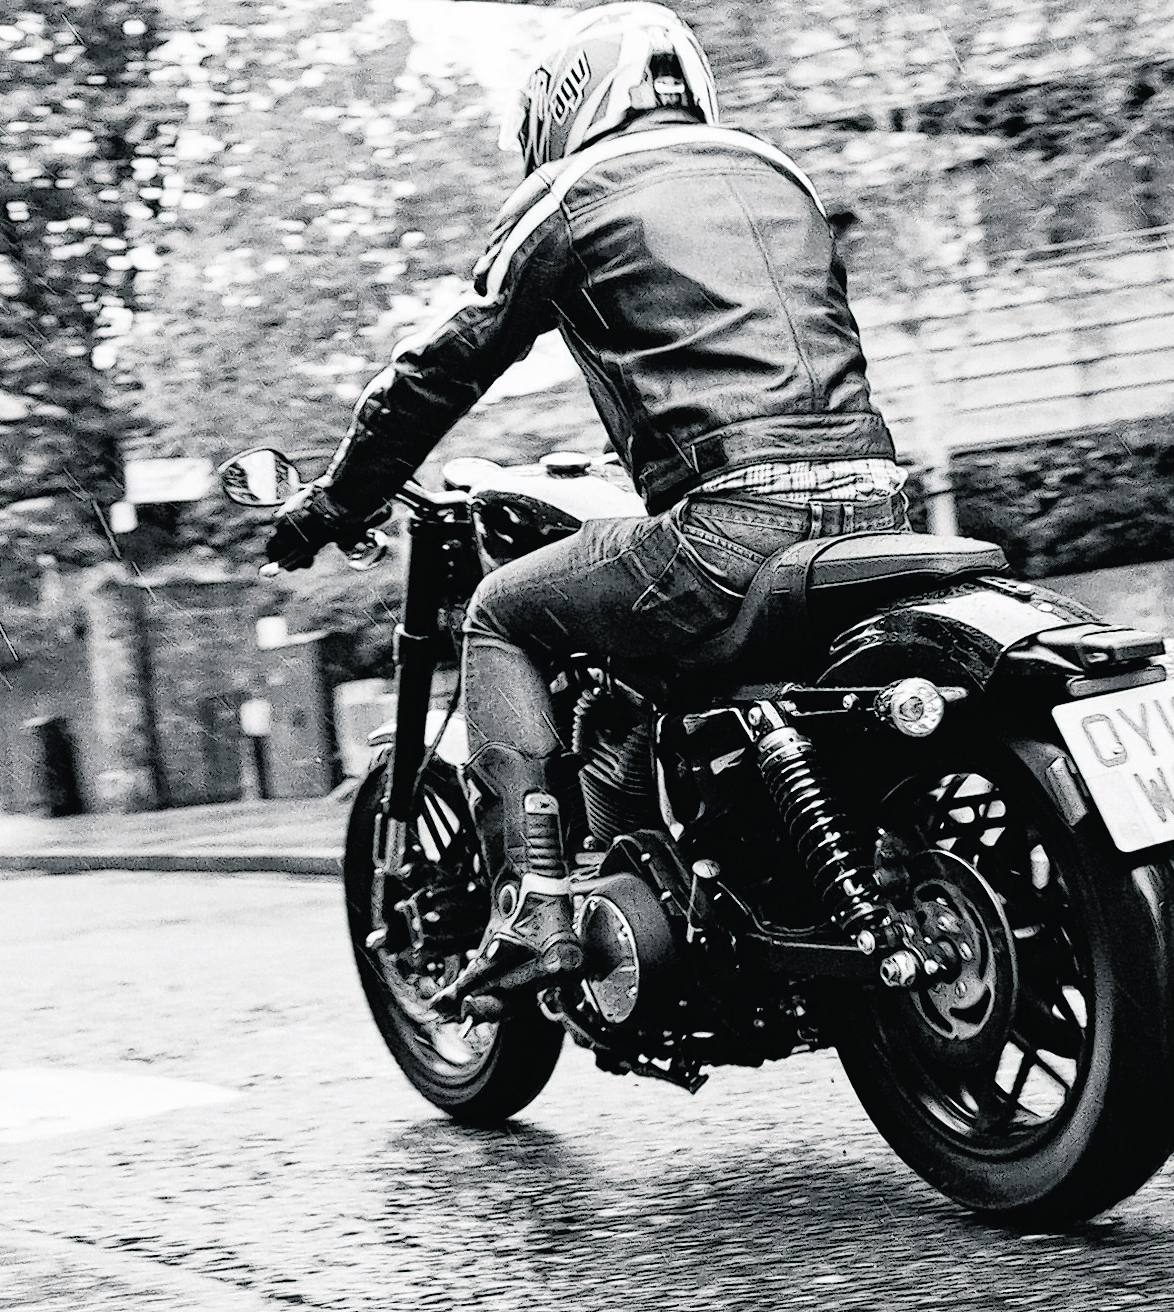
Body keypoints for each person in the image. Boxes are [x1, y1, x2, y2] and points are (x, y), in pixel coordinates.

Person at [262, 2, 907, 1004]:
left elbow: (437, 368)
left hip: (732, 525)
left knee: (503, 614)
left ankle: (537, 910)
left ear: (564, 103)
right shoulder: (778, 174)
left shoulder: (571, 193)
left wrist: (333, 501)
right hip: (876, 502)